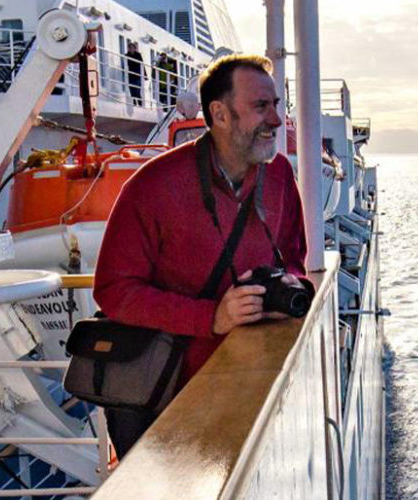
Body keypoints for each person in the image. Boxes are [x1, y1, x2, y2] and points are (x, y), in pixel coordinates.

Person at [92, 54, 312, 452]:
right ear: (220, 114)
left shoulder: (278, 175)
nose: (277, 120)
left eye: (276, 105)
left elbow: (295, 257)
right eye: (261, 107)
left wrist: (288, 291)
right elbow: (113, 291)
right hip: (165, 400)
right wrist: (212, 317)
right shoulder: (154, 185)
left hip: (250, 388)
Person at [124, 42, 144, 106]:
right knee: (132, 90)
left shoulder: (138, 55)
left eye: (132, 48)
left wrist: (145, 75)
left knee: (137, 90)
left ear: (134, 48)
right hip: (130, 75)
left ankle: (140, 103)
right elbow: (124, 65)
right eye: (129, 48)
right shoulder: (126, 55)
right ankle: (134, 103)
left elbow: (142, 64)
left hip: (137, 75)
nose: (131, 49)